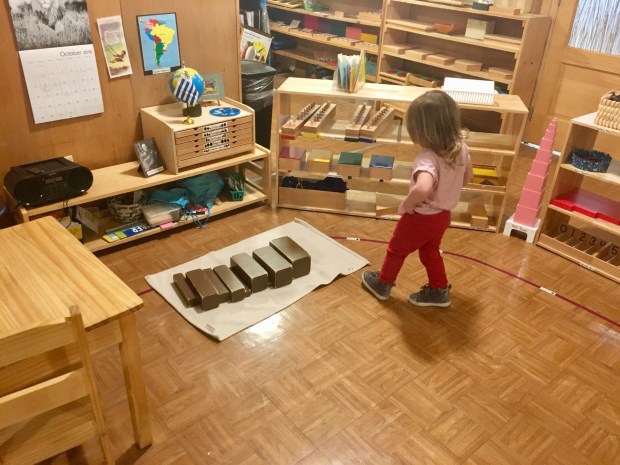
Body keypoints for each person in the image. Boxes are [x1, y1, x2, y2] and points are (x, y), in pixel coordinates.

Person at [362, 90, 472, 307]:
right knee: (430, 252)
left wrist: (406, 204)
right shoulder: (462, 149)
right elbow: (467, 177)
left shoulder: (427, 158)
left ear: (422, 131)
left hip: (421, 217)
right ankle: (439, 290)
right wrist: (447, 188)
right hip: (442, 216)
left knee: (396, 250)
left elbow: (423, 188)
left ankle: (383, 284)